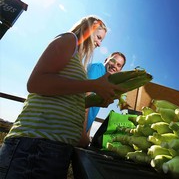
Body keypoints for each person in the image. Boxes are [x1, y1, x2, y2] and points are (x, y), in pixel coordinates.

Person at [0, 15, 125, 179]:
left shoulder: (79, 60)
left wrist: (97, 100)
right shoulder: (69, 39)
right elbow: (36, 82)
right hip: (35, 145)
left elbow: (68, 94)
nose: (100, 43)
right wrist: (93, 85)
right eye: (99, 37)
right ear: (92, 26)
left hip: (55, 148)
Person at [79, 52, 126, 147]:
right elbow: (85, 97)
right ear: (106, 60)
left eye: (119, 65)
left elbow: (91, 110)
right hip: (75, 130)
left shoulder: (105, 81)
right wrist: (82, 134)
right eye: (113, 61)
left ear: (120, 70)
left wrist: (87, 135)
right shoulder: (98, 68)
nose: (114, 66)